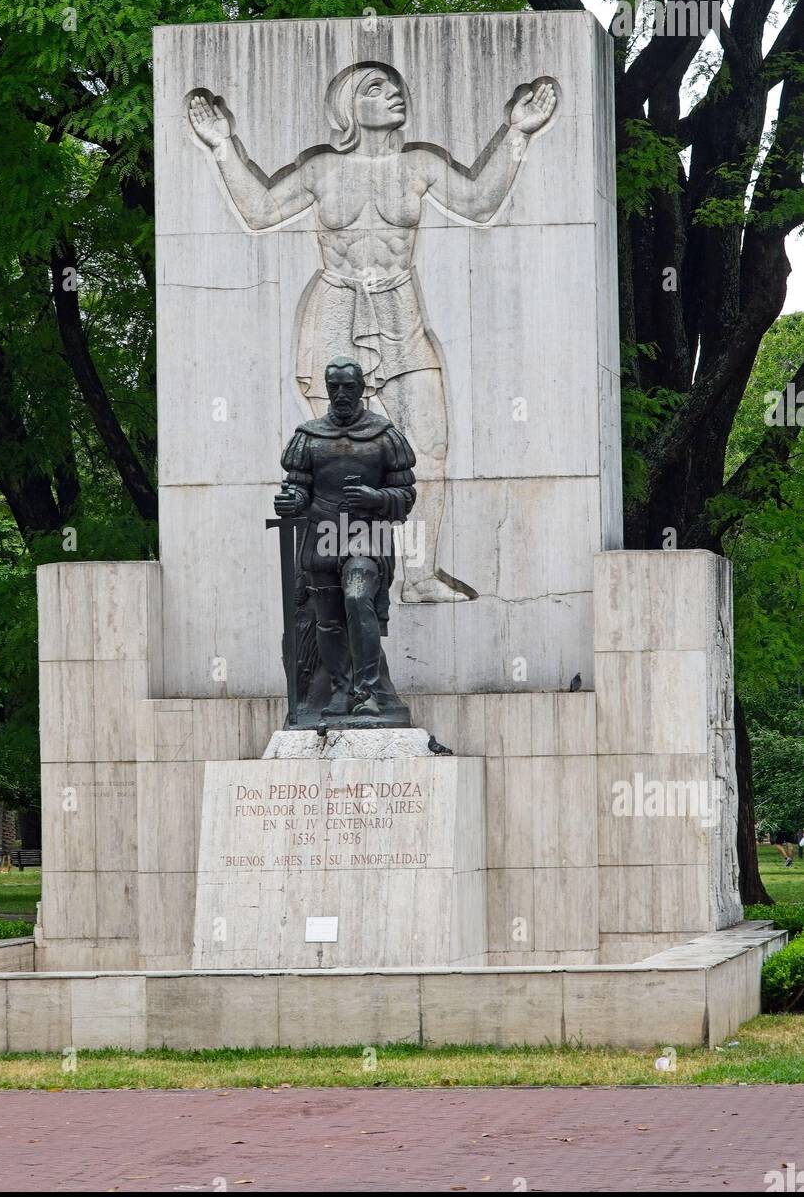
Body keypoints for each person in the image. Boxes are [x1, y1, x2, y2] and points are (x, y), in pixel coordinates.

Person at [189, 63, 557, 602]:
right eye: (375, 89)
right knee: (336, 451)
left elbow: (479, 202)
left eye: (396, 86)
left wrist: (518, 133)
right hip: (336, 310)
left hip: (400, 310)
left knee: (429, 447)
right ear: (348, 110)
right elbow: (261, 210)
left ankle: (419, 574)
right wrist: (222, 145)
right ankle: (335, 575)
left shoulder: (421, 165)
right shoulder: (322, 170)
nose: (394, 94)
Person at [274, 355, 416, 720]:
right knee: (328, 619)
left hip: (364, 536)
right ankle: (339, 690)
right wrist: (291, 501)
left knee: (356, 597)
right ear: (325, 388)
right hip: (321, 537)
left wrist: (376, 498)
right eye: (334, 387)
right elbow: (298, 489)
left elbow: (406, 496)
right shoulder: (308, 437)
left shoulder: (384, 436)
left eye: (348, 387)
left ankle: (367, 693)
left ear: (361, 389)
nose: (340, 394)